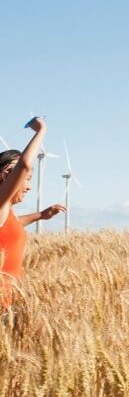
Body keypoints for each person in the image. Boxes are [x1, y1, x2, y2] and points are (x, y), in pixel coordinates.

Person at [0, 118, 65, 308]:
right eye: (27, 180)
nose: (28, 187)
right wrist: (41, 130)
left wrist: (40, 215)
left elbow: (9, 228)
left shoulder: (5, 210)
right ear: (6, 174)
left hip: (7, 304)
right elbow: (24, 165)